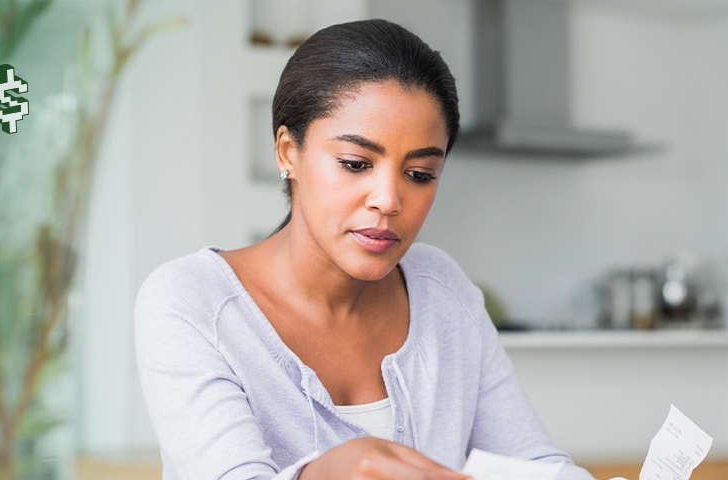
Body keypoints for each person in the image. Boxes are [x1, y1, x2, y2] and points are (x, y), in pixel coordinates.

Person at [134, 19, 596, 480]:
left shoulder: (443, 291)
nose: (389, 201)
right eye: (356, 164)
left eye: (420, 174)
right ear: (287, 152)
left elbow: (534, 466)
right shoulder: (192, 302)